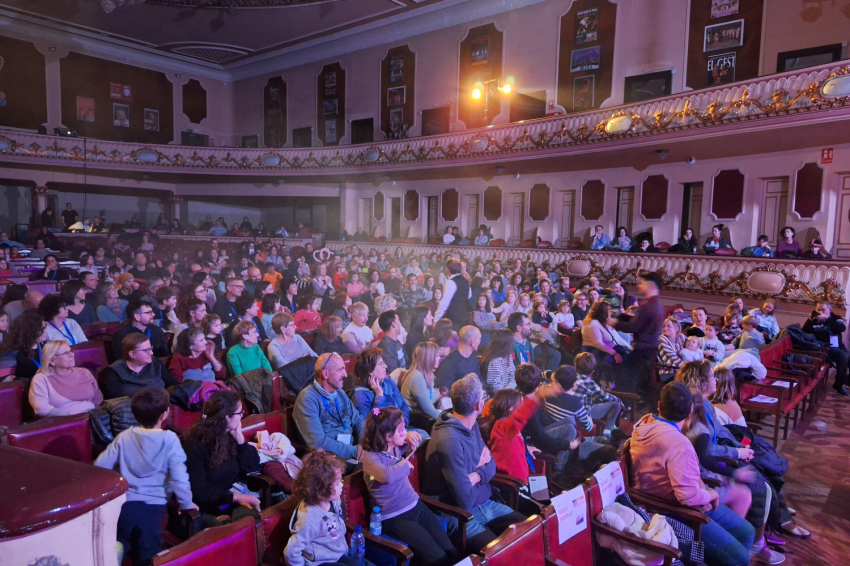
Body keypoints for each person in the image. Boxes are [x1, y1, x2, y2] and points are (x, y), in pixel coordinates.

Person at [630, 381, 755, 566]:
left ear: (659, 406)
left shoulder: (645, 422)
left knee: (747, 532)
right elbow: (687, 497)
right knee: (741, 558)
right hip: (676, 511)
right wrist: (711, 494)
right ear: (690, 411)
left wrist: (704, 492)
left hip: (685, 502)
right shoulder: (678, 443)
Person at [422, 374, 527, 553]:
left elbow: (491, 464)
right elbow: (465, 499)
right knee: (500, 554)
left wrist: (473, 476)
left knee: (529, 531)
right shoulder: (449, 441)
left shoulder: (471, 425)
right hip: (457, 514)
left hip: (485, 503)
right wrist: (480, 474)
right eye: (484, 397)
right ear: (479, 405)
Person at [95, 387, 197, 566]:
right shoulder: (169, 439)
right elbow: (179, 478)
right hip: (152, 508)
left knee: (123, 540)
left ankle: (118, 550)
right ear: (164, 414)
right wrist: (186, 503)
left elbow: (100, 466)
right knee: (146, 553)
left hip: (125, 505)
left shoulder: (125, 436)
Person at [360, 407, 457, 566]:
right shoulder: (371, 458)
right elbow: (386, 476)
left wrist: (409, 435)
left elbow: (408, 441)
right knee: (437, 558)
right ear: (388, 437)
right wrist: (405, 465)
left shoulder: (395, 448)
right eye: (401, 430)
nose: (404, 432)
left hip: (417, 506)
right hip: (395, 517)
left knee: (451, 551)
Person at [183, 391, 261, 526]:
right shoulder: (194, 445)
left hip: (227, 499)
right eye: (240, 413)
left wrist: (241, 440)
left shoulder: (230, 435)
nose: (242, 416)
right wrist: (234, 497)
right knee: (233, 527)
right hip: (202, 507)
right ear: (227, 418)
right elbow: (200, 492)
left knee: (248, 518)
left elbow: (252, 467)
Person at [284, 451, 359, 566]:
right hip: (320, 562)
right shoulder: (309, 521)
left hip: (336, 554)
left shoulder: (333, 501)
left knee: (355, 563)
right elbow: (291, 552)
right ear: (321, 492)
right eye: (337, 483)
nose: (342, 485)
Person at [293, 353, 366, 464]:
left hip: (355, 451)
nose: (345, 374)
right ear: (326, 374)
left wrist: (363, 445)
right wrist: (355, 452)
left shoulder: (340, 392)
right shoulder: (307, 399)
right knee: (377, 469)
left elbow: (358, 420)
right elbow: (319, 442)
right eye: (340, 370)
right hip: (332, 459)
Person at [350, 348, 424, 440]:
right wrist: (379, 396)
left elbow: (403, 406)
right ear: (370, 371)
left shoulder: (388, 381)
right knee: (419, 439)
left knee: (423, 435)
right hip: (383, 438)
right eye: (381, 364)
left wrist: (402, 426)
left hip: (399, 431)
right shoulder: (360, 395)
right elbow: (372, 425)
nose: (385, 366)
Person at [614, 272, 665, 394]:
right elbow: (642, 323)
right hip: (648, 352)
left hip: (641, 352)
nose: (639, 286)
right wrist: (622, 316)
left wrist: (614, 323)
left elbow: (635, 327)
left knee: (628, 383)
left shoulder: (648, 307)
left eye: (641, 283)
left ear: (649, 285)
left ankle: (626, 404)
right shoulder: (657, 306)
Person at [28, 340, 103, 417]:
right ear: (52, 361)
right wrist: (71, 417)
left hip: (94, 418)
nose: (72, 355)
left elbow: (98, 398)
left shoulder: (84, 372)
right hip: (65, 421)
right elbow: (41, 409)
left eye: (70, 351)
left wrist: (95, 416)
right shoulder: (41, 379)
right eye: (65, 353)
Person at [103, 334, 177, 400]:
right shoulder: (115, 371)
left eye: (150, 349)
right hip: (130, 409)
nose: (151, 353)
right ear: (132, 354)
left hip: (160, 405)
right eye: (146, 350)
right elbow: (115, 400)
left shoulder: (156, 363)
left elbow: (173, 386)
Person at [802, 301, 849, 396]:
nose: (820, 312)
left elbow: (841, 328)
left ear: (830, 310)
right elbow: (803, 333)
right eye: (818, 309)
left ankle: (844, 380)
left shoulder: (836, 318)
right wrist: (810, 320)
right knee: (843, 357)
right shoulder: (814, 319)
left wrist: (828, 319)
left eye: (823, 310)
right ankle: (839, 385)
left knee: (846, 356)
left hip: (838, 346)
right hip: (823, 348)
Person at [400, 341, 444, 421]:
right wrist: (448, 420)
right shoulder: (417, 377)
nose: (439, 358)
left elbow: (429, 400)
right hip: (417, 420)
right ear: (428, 358)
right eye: (437, 355)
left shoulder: (426, 374)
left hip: (423, 417)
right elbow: (428, 409)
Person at [0, 313, 47, 380]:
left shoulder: (46, 347)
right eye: (42, 329)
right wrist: (35, 382)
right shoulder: (10, 352)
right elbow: (4, 378)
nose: (46, 332)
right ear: (30, 331)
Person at [434, 325, 482, 390]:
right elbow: (442, 390)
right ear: (472, 343)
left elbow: (479, 379)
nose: (480, 341)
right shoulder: (450, 363)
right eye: (479, 339)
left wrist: (483, 391)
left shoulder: (473, 357)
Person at [434, 259, 472, 331]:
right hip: (464, 317)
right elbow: (469, 295)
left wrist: (436, 319)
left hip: (453, 318)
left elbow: (444, 302)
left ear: (448, 269)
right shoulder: (466, 280)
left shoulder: (451, 282)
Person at [479, 328, 517, 396]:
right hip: (498, 397)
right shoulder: (494, 362)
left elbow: (513, 375)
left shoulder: (508, 356)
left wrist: (510, 387)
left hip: (507, 393)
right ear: (507, 344)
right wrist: (509, 390)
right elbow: (496, 388)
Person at [377, 310, 407, 374]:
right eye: (398, 321)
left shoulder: (397, 342)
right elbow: (394, 373)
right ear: (393, 324)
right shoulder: (385, 347)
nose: (400, 324)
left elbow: (407, 361)